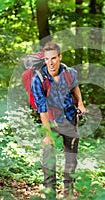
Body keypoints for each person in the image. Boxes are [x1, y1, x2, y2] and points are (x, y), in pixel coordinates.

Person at [31, 41, 86, 198]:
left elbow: (75, 86)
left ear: (60, 57)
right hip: (51, 121)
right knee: (49, 158)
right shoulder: (38, 79)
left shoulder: (70, 73)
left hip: (69, 119)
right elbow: (42, 109)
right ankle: (50, 193)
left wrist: (80, 103)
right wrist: (48, 135)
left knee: (71, 158)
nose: (50, 63)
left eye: (54, 58)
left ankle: (68, 192)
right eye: (47, 59)